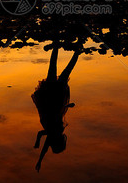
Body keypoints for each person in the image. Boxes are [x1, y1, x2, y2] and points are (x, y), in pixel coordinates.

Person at [32, 42, 80, 172]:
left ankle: (73, 50)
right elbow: (43, 143)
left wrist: (39, 158)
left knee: (59, 69)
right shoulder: (55, 132)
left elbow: (44, 145)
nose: (50, 145)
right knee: (56, 68)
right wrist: (39, 156)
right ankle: (68, 49)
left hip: (52, 95)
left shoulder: (54, 133)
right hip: (54, 96)